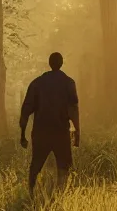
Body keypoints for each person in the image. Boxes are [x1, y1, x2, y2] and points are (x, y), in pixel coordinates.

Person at [19, 52, 80, 195]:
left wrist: (22, 134)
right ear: (62, 63)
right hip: (60, 133)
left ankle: (31, 192)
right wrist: (77, 132)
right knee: (64, 166)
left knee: (36, 165)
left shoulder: (37, 83)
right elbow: (73, 110)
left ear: (49, 63)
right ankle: (61, 194)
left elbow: (26, 109)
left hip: (41, 133)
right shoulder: (68, 83)